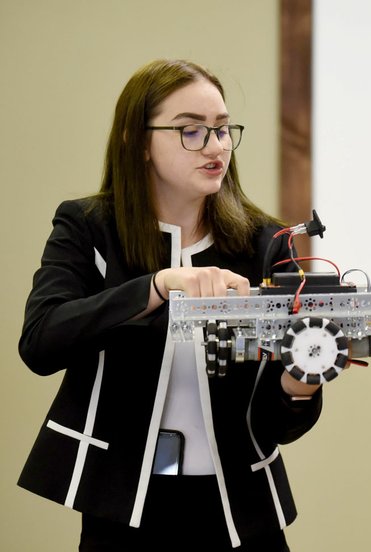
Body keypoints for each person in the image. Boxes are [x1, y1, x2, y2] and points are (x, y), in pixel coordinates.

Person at [17, 59, 323, 551]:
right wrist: (157, 285)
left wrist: (299, 381)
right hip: (123, 503)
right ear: (137, 142)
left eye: (223, 130)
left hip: (239, 507)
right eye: (191, 131)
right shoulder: (88, 226)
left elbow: (280, 427)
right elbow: (41, 342)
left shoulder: (266, 243)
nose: (216, 146)